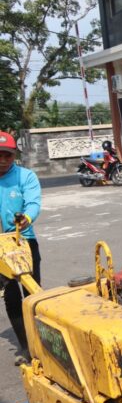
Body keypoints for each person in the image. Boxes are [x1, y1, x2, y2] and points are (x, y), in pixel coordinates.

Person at [0, 132, 40, 355]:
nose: (3, 159)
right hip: (0, 248)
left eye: (8, 155)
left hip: (24, 241)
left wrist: (27, 218)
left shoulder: (26, 176)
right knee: (12, 295)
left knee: (32, 293)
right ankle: (26, 346)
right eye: (0, 155)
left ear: (14, 154)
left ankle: (42, 343)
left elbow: (33, 203)